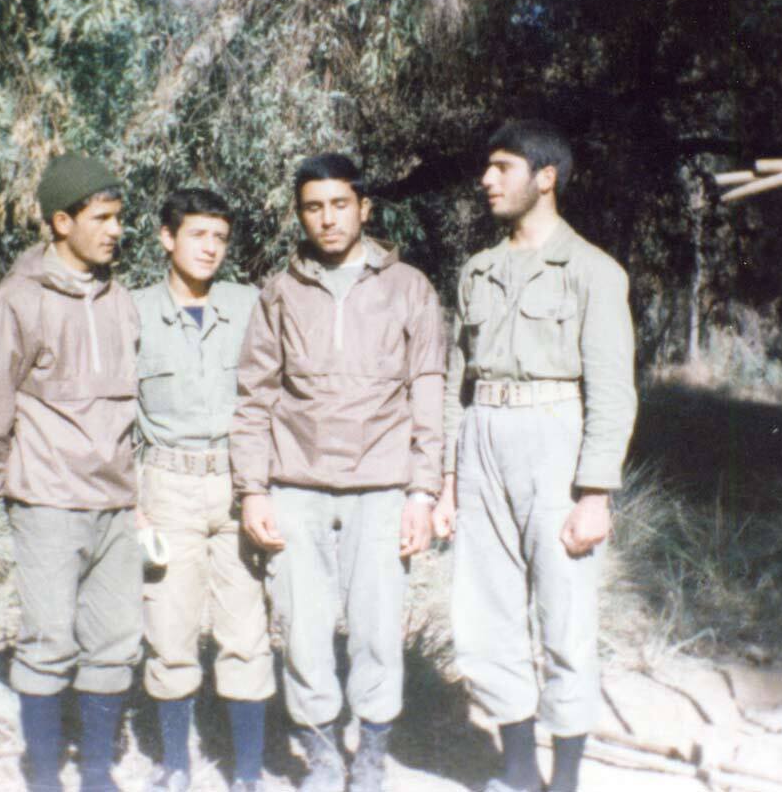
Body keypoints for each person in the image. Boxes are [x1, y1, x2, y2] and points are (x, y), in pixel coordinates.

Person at [230, 153, 446, 792]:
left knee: (378, 627)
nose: (327, 219)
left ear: (364, 208)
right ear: (300, 215)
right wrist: (252, 490)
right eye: (313, 207)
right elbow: (254, 398)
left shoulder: (409, 287)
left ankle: (371, 754)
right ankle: (322, 755)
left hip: (381, 486)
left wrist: (423, 491)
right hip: (295, 485)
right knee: (301, 628)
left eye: (339, 205)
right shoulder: (280, 292)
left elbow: (428, 391)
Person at [433, 119, 637, 792]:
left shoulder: (593, 271)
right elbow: (458, 378)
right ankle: (519, 771)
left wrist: (595, 494)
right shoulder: (478, 271)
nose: (486, 180)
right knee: (484, 610)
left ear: (545, 177)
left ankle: (566, 778)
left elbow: (611, 390)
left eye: (503, 167)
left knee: (565, 615)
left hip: (556, 439)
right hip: (482, 436)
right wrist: (448, 480)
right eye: (487, 167)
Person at [0, 153, 141, 792]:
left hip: (116, 502)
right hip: (48, 502)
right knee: (48, 642)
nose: (116, 230)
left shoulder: (121, 300)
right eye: (103, 218)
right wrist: (10, 487)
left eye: (119, 217)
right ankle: (42, 775)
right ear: (62, 222)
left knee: (114, 643)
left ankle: (95, 773)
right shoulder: (14, 302)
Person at [132, 187, 275, 792]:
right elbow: (114, 414)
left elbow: (274, 394)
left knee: (246, 631)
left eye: (220, 237)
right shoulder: (132, 311)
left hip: (238, 486)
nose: (210, 248)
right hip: (166, 486)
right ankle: (175, 765)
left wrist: (265, 486)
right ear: (167, 238)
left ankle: (247, 772)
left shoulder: (250, 305)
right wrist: (132, 503)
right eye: (197, 235)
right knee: (169, 631)